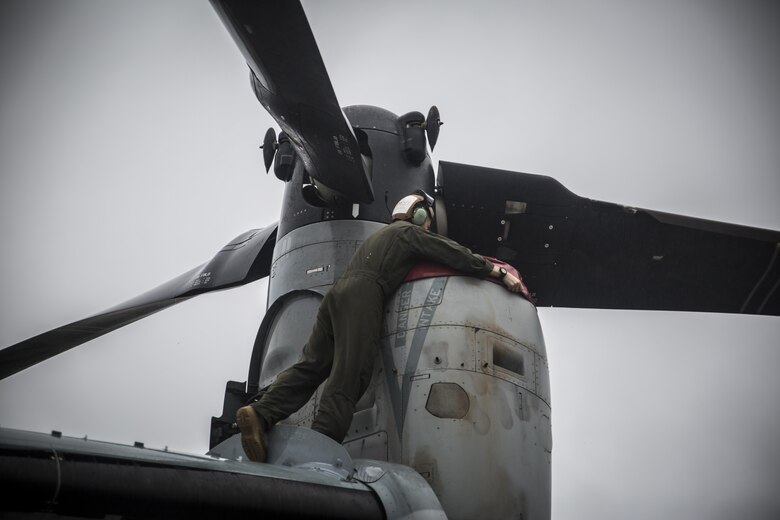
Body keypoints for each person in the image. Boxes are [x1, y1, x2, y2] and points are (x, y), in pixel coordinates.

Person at [236, 190, 526, 462]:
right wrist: (496, 271)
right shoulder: (408, 233)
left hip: (335, 297)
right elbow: (452, 252)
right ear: (420, 216)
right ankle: (321, 442)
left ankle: (260, 413)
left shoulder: (379, 237)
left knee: (311, 366)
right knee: (352, 372)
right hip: (364, 295)